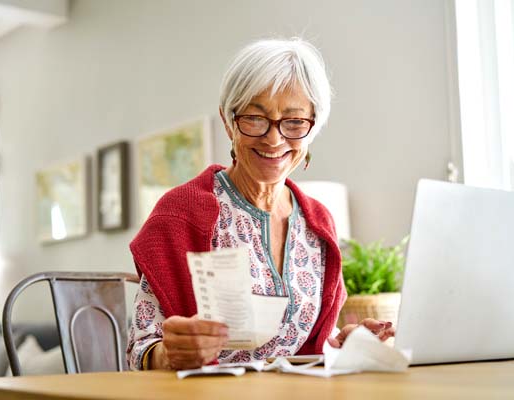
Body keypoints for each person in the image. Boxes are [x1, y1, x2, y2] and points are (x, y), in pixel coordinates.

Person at [127, 38, 394, 371]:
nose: (274, 138)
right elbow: (141, 347)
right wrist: (169, 354)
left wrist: (343, 343)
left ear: (312, 128)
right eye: (255, 118)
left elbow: (304, 346)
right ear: (228, 121)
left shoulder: (318, 223)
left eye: (294, 122)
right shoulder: (181, 213)